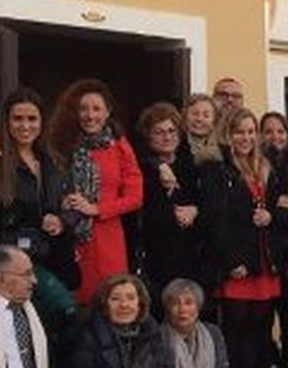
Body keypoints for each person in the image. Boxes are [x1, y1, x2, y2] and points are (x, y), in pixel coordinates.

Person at [0, 88, 76, 325]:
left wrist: (63, 220)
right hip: (4, 262)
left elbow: (72, 205)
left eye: (32, 119)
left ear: (42, 121)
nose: (25, 126)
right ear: (6, 121)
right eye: (17, 119)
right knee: (7, 329)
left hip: (49, 258)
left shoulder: (53, 159)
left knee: (58, 321)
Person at [200, 108, 287, 368]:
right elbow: (215, 220)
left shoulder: (266, 166)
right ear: (227, 134)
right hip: (239, 265)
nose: (246, 138)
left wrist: (272, 216)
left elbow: (279, 209)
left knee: (261, 333)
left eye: (251, 131)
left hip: (265, 264)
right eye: (239, 132)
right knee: (235, 335)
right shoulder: (216, 168)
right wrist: (231, 259)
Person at [46, 79, 143, 304]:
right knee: (73, 304)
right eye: (84, 109)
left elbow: (135, 197)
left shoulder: (120, 146)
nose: (90, 115)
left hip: (108, 236)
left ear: (108, 112)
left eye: (96, 109)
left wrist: (95, 208)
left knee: (110, 300)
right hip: (70, 235)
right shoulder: (61, 147)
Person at [134, 103, 204, 315]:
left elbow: (207, 204)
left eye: (172, 131)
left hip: (189, 256)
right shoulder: (140, 168)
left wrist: (195, 210)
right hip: (155, 256)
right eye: (159, 132)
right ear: (148, 136)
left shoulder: (191, 166)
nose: (167, 137)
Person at [183, 93, 224, 166]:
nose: (199, 119)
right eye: (195, 114)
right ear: (185, 117)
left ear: (214, 121)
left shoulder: (223, 149)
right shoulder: (175, 146)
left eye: (206, 115)